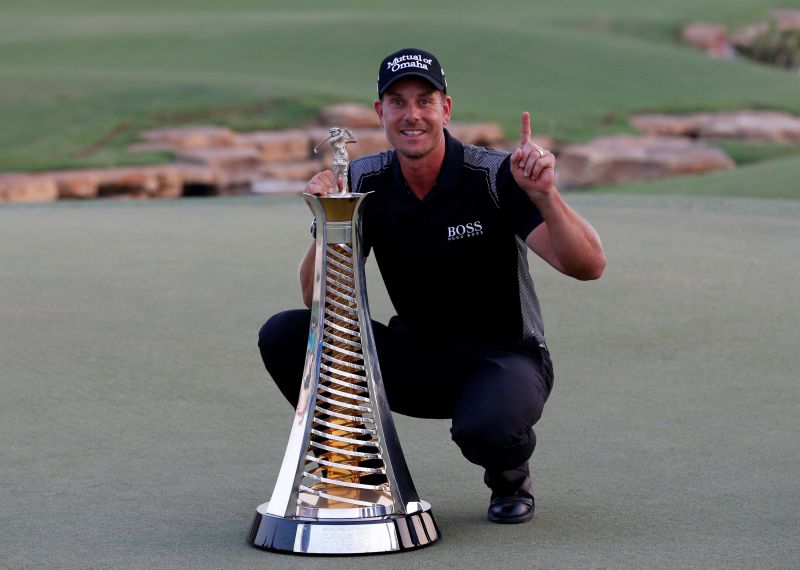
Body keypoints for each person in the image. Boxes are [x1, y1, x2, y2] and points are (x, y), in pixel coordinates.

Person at [259, 48, 606, 524]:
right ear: (381, 113)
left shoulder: (494, 175)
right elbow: (314, 299)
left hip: (503, 359)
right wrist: (329, 221)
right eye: (398, 102)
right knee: (286, 334)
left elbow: (588, 265)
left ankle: (509, 474)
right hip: (413, 358)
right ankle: (359, 473)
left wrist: (545, 195)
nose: (412, 115)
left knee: (487, 427)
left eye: (425, 100)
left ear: (446, 108)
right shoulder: (362, 180)